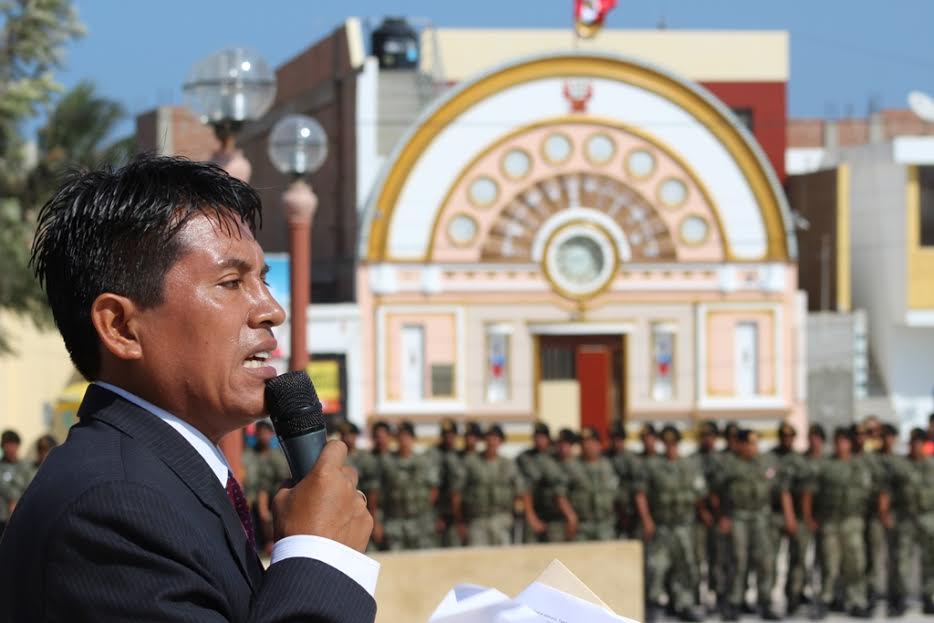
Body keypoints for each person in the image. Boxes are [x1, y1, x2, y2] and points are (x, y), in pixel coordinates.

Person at [0, 157, 376, 622]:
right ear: (121, 328)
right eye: (231, 282)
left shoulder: (165, 478)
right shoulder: (112, 508)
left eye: (263, 279)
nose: (272, 309)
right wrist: (320, 557)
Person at [636, 425, 705, 623]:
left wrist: (704, 516)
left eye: (673, 444)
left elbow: (699, 494)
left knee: (686, 565)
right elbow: (640, 495)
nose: (670, 448)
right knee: (656, 567)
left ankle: (684, 603)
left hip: (684, 526)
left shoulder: (689, 465)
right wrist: (646, 520)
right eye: (667, 444)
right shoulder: (653, 466)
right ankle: (654, 604)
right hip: (662, 526)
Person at [804, 426, 873, 619]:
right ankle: (825, 599)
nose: (840, 445)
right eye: (837, 441)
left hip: (853, 521)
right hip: (830, 522)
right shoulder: (825, 466)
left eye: (844, 441)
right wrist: (809, 518)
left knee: (856, 563)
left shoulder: (860, 466)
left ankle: (857, 600)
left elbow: (870, 494)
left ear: (850, 443)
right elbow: (809, 493)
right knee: (829, 563)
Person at [715, 429, 785, 621]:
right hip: (738, 516)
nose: (753, 447)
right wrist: (723, 516)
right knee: (738, 560)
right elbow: (716, 492)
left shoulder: (766, 462)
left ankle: (765, 601)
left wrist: (784, 515)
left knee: (765, 560)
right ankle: (734, 602)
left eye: (755, 443)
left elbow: (780, 490)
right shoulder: (728, 464)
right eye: (749, 443)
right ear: (740, 444)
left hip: (761, 517)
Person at [883, 427, 934, 616]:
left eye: (918, 442)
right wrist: (885, 513)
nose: (915, 446)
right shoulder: (900, 466)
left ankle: (929, 597)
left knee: (930, 560)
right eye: (912, 443)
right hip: (906, 518)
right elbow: (887, 492)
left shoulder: (932, 465)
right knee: (902, 560)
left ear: (924, 444)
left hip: (929, 518)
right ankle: (900, 599)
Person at [453, 424, 527, 546]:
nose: (492, 442)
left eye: (495, 438)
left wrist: (515, 514)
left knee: (504, 555)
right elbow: (456, 493)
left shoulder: (508, 464)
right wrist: (460, 521)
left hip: (502, 520)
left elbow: (521, 492)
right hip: (477, 521)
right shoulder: (470, 462)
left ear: (501, 441)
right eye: (489, 438)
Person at [380, 421, 438, 550]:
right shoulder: (387, 462)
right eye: (401, 436)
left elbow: (433, 489)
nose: (404, 440)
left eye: (407, 436)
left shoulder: (424, 462)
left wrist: (423, 507)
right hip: (396, 522)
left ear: (413, 438)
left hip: (420, 523)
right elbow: (380, 492)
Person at [768, 422, 806, 613]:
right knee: (770, 559)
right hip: (774, 515)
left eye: (790, 437)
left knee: (797, 558)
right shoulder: (769, 458)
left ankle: (794, 595)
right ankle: (767, 598)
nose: (787, 440)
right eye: (784, 437)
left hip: (797, 516)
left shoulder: (800, 460)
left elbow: (806, 489)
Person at [517, 422, 576, 542]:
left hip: (556, 517)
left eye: (542, 437)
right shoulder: (525, 458)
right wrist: (532, 517)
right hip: (535, 513)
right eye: (537, 436)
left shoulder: (556, 457)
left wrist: (570, 517)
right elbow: (525, 488)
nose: (539, 440)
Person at [565, 427, 617, 542]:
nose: (587, 446)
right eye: (584, 442)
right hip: (582, 525)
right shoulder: (572, 466)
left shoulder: (608, 465)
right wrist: (570, 517)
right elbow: (561, 494)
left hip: (605, 524)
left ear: (599, 444)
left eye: (591, 442)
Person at [691, 420, 721, 609]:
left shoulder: (722, 459)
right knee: (697, 558)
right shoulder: (692, 460)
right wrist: (702, 511)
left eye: (710, 435)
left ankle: (717, 595)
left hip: (719, 517)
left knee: (718, 559)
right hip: (698, 518)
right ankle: (696, 597)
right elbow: (694, 488)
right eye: (704, 436)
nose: (707, 439)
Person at [423, 418, 464, 547]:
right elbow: (431, 491)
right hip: (436, 514)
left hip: (455, 515)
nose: (448, 438)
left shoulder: (460, 455)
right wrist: (436, 516)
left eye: (451, 435)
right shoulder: (432, 455)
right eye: (445, 435)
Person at [363, 420, 394, 550]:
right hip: (377, 514)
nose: (381, 440)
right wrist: (375, 523)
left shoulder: (394, 457)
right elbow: (372, 495)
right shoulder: (369, 460)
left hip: (394, 515)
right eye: (377, 437)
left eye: (383, 436)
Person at [605, 422, 639, 538]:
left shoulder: (632, 459)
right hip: (611, 508)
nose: (616, 442)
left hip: (629, 508)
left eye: (618, 439)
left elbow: (638, 485)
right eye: (613, 439)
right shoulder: (605, 457)